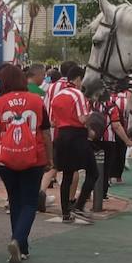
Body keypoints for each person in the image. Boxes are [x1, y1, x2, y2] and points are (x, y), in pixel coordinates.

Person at [0, 64, 52, 263]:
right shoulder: (37, 101)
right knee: (30, 202)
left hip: (6, 158)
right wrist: (50, 158)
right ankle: (19, 240)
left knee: (15, 199)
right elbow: (46, 133)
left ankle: (20, 245)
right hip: (34, 156)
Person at [48, 62, 97, 224]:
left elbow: (52, 122)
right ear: (78, 79)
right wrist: (91, 121)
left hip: (61, 136)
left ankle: (65, 213)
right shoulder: (78, 95)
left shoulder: (57, 96)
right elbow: (83, 119)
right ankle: (79, 205)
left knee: (67, 175)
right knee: (93, 171)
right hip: (77, 135)